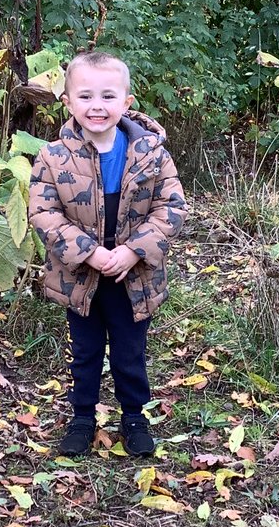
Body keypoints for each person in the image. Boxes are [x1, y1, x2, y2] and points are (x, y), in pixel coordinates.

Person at [28, 50, 186, 456]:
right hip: (81, 276)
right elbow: (44, 213)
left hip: (134, 276)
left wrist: (134, 251)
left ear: (126, 102)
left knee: (130, 352)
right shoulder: (53, 157)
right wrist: (88, 253)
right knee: (85, 351)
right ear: (67, 102)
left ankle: (134, 417)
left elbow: (171, 208)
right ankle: (82, 417)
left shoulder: (152, 154)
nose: (96, 106)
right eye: (85, 96)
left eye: (108, 96)